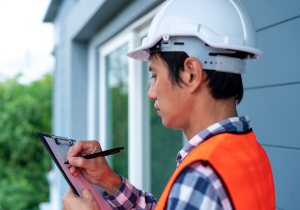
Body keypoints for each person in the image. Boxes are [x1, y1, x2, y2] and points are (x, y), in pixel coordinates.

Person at [62, 0, 276, 209]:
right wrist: (111, 182)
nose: (151, 93)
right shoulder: (249, 152)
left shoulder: (201, 177)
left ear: (191, 74)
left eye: (155, 75)